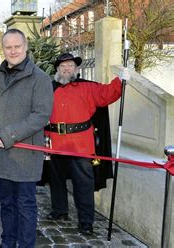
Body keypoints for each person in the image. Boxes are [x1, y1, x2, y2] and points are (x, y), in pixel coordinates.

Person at [0, 29, 53, 248]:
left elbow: (41, 115)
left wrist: (9, 134)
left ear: (25, 47)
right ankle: (8, 242)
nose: (13, 51)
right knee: (6, 204)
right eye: (8, 47)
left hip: (25, 155)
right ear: (3, 49)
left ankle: (26, 245)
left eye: (17, 46)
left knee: (25, 206)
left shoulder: (40, 79)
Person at [45, 52, 130, 235]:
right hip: (54, 143)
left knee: (83, 184)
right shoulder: (48, 89)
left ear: (76, 69)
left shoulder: (89, 88)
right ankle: (60, 210)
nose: (67, 68)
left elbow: (107, 94)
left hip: (81, 145)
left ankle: (85, 221)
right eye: (63, 66)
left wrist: (120, 79)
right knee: (56, 180)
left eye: (70, 65)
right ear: (57, 69)